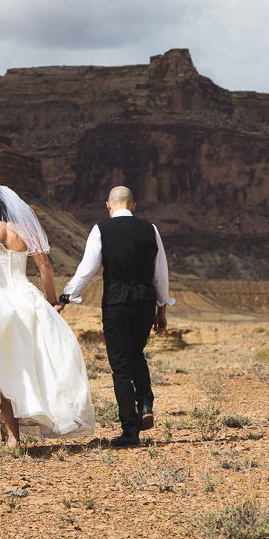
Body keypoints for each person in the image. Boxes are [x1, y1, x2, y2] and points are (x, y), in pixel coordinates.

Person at [0, 185, 94, 447]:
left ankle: (13, 437)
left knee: (3, 366)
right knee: (33, 364)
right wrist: (52, 301)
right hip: (29, 301)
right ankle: (39, 417)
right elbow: (45, 266)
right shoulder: (24, 229)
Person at [55, 185, 174, 448]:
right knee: (137, 355)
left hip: (116, 304)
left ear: (108, 205)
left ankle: (130, 431)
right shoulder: (150, 229)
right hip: (144, 303)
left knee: (121, 368)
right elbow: (160, 272)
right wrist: (162, 308)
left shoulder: (101, 230)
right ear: (134, 206)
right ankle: (145, 403)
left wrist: (66, 297)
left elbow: (86, 270)